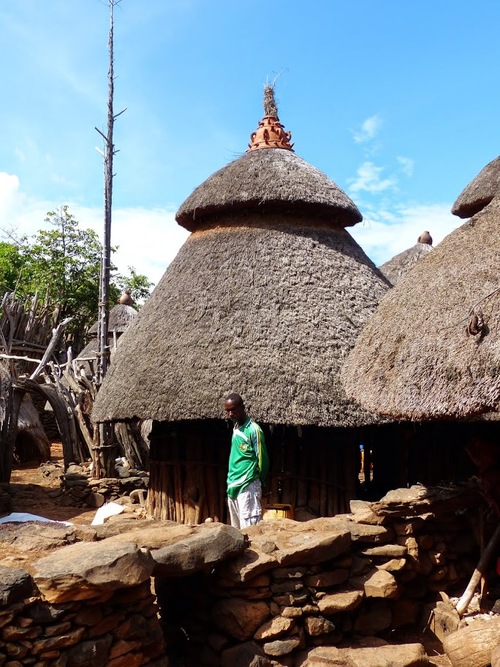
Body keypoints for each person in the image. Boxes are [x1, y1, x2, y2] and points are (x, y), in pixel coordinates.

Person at [224, 392, 269, 529]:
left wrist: (260, 481)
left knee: (250, 532)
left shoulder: (254, 430)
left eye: (233, 410)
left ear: (243, 407)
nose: (230, 414)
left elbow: (262, 459)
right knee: (236, 535)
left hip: (248, 486)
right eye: (228, 411)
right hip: (233, 486)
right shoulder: (236, 428)